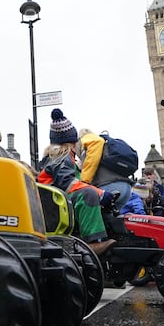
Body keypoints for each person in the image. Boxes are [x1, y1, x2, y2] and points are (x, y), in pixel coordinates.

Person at [37, 109, 116, 256]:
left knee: (91, 193)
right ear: (72, 142)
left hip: (57, 201)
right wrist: (100, 194)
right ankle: (92, 243)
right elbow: (69, 183)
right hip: (53, 205)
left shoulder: (63, 158)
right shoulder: (61, 158)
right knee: (88, 194)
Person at [78, 128, 133, 209]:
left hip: (109, 187)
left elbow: (89, 166)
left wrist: (83, 182)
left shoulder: (89, 144)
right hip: (126, 188)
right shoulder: (106, 145)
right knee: (114, 220)